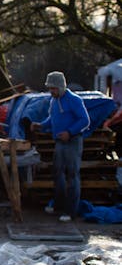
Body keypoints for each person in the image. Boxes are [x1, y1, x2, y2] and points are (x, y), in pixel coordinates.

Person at [31, 71, 90, 222]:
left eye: (54, 88)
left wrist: (70, 132)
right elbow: (52, 118)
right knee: (57, 174)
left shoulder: (74, 100)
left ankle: (70, 211)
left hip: (72, 141)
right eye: (50, 88)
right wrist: (41, 125)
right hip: (59, 142)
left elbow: (85, 120)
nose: (52, 91)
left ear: (61, 87)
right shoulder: (54, 101)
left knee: (72, 175)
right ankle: (59, 205)